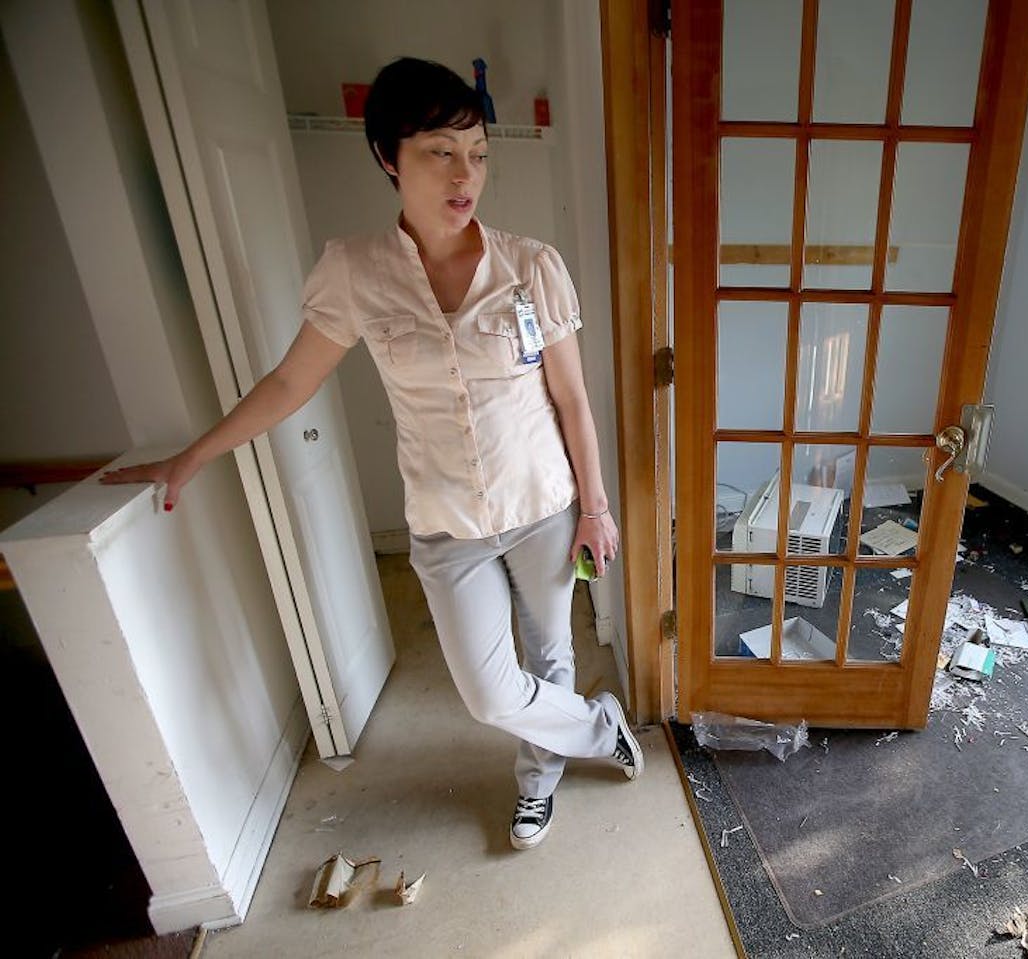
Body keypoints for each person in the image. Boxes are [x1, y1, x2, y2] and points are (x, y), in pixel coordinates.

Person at [100, 56, 641, 851]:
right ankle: (600, 729)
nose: (466, 175)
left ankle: (538, 782)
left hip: (542, 505)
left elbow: (573, 401)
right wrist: (192, 456)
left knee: (549, 657)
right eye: (440, 151)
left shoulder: (531, 266)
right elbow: (289, 382)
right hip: (444, 522)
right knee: (491, 691)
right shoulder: (354, 273)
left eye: (480, 153)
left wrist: (594, 505)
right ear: (389, 157)